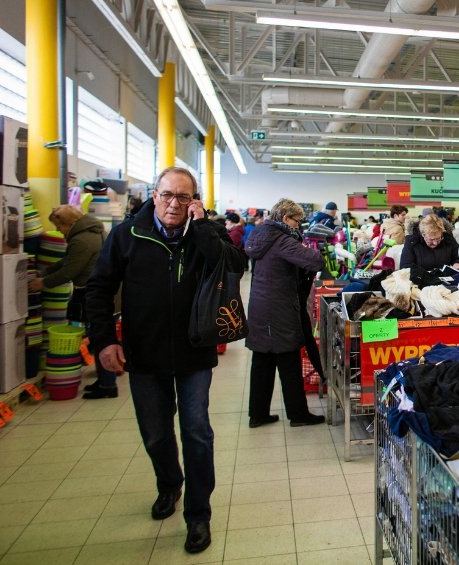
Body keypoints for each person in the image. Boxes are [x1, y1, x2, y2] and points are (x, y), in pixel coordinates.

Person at [86, 167, 244, 554]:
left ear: (195, 202)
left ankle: (198, 514)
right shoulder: (128, 234)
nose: (175, 204)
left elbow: (234, 264)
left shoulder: (206, 233)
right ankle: (170, 482)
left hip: (194, 351)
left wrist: (204, 225)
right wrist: (104, 340)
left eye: (184, 197)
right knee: (156, 433)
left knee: (196, 431)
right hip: (144, 352)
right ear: (154, 195)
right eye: (168, 195)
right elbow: (99, 287)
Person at [244, 199, 326, 428]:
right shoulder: (281, 240)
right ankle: (298, 414)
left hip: (262, 307)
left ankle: (258, 414)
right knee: (289, 360)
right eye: (297, 221)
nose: (299, 226)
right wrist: (314, 248)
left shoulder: (262, 235)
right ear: (285, 218)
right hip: (277, 308)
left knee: (263, 361)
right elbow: (314, 260)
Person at [30, 205, 114, 399]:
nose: (58, 231)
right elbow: (68, 261)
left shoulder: (81, 239)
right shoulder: (93, 232)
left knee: (100, 335)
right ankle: (105, 380)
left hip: (92, 292)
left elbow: (70, 271)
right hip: (100, 290)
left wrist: (42, 283)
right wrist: (45, 272)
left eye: (59, 226)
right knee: (99, 334)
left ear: (69, 223)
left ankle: (107, 383)